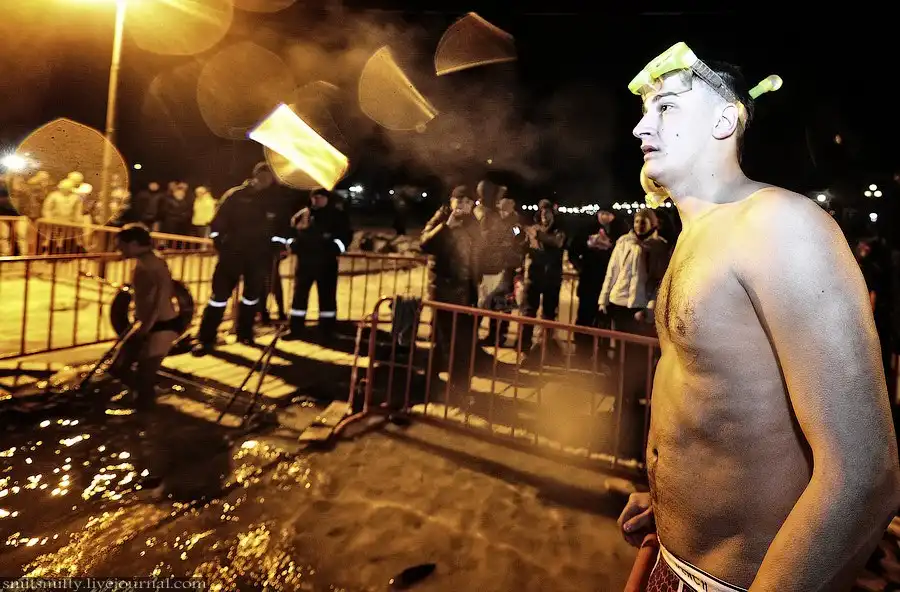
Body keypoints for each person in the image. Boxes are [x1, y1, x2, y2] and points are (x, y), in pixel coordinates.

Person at [617, 42, 899, 591]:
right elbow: (723, 408)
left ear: (725, 120)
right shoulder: (698, 234)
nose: (640, 127)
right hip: (671, 561)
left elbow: (867, 475)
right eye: (644, 110)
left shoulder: (779, 225)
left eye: (667, 106)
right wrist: (671, 499)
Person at [192, 163, 281, 355]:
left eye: (269, 177)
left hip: (258, 257)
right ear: (255, 175)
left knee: (251, 298)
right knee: (219, 297)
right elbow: (218, 221)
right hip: (232, 254)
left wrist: (277, 246)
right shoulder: (235, 195)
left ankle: (245, 333)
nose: (266, 180)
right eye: (263, 175)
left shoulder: (274, 199)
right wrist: (219, 242)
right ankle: (206, 338)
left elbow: (282, 227)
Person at [111, 224, 180, 409]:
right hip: (148, 323)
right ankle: (143, 394)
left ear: (134, 244)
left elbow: (161, 297)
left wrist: (146, 327)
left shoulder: (153, 265)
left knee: (143, 373)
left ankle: (145, 407)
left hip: (161, 325)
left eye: (122, 246)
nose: (119, 250)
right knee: (119, 367)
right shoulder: (146, 262)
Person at [286, 188, 353, 338]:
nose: (317, 200)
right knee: (299, 297)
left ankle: (327, 330)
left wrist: (333, 249)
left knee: (327, 298)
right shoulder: (302, 215)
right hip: (304, 263)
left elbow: (345, 236)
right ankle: (296, 328)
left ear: (327, 199)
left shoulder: (337, 215)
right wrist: (293, 245)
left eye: (321, 197)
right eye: (315, 197)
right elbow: (290, 233)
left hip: (326, 264)